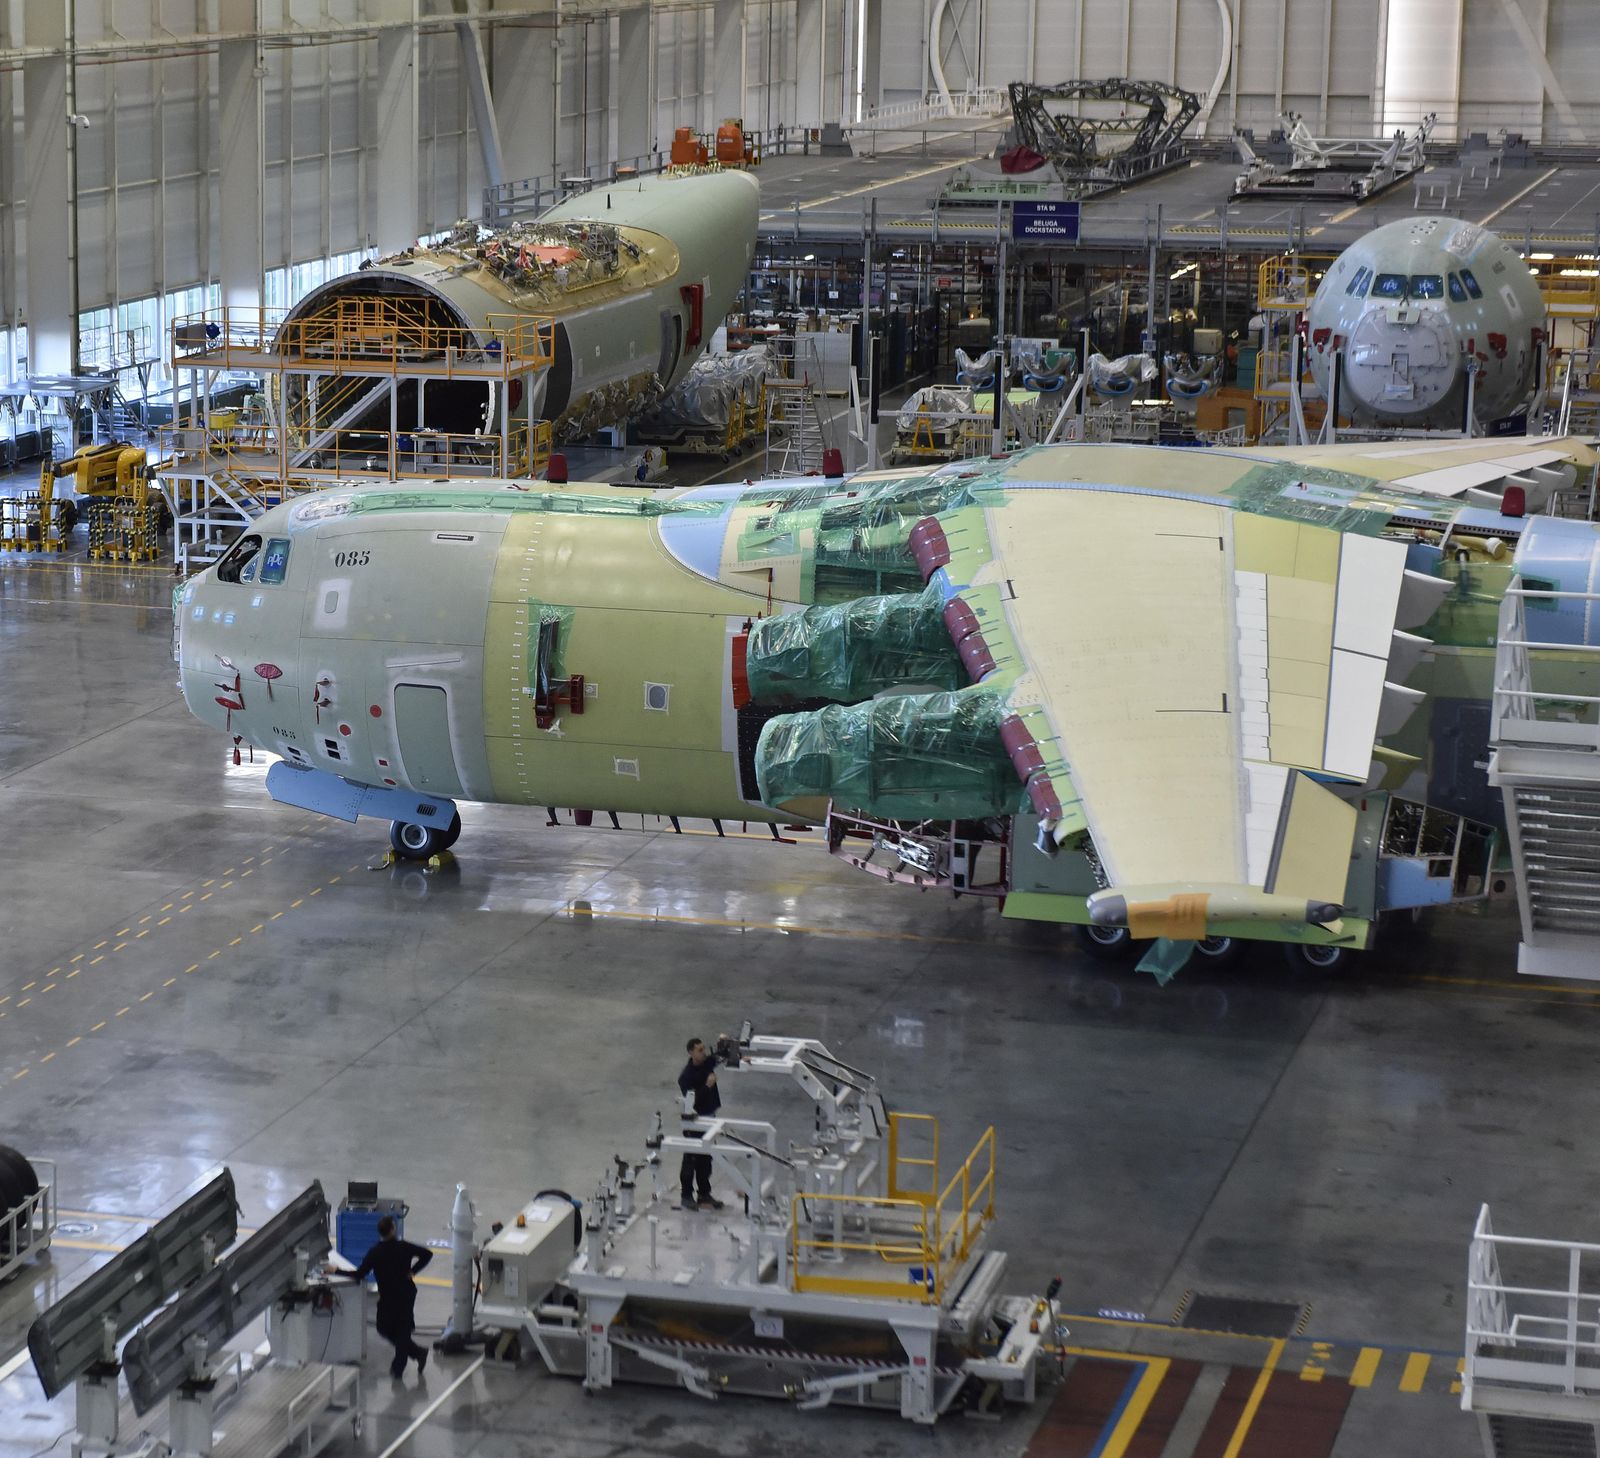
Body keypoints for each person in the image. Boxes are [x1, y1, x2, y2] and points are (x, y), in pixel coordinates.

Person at [353, 1214, 432, 1378]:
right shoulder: (403, 1247)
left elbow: (359, 1273)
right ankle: (418, 1353)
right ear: (393, 1229)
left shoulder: (375, 1252)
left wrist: (335, 1271)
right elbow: (427, 1254)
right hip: (404, 1293)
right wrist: (413, 1271)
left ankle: (398, 1368)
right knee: (392, 1328)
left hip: (391, 1296)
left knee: (393, 1329)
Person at [677, 1036, 726, 1212]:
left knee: (706, 1158)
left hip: (709, 1118)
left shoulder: (706, 1063)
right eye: (699, 1050)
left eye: (704, 1049)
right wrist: (707, 1085)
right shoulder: (686, 1077)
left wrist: (724, 1043)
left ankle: (704, 1193)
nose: (703, 1053)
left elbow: (722, 1056)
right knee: (691, 1159)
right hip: (695, 1122)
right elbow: (694, 1102)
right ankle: (686, 1196)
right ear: (691, 1052)